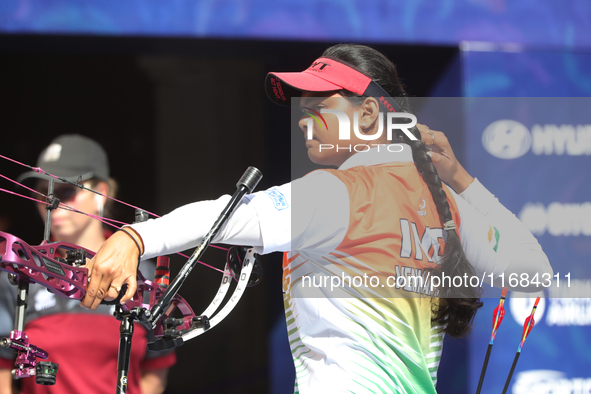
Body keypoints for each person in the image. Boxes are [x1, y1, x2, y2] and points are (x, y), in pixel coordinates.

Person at [81, 45, 552, 393]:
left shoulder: (340, 191)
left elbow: (218, 218)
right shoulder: (443, 198)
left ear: (369, 113)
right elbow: (535, 271)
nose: (304, 119)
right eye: (302, 109)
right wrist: (464, 180)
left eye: (319, 106)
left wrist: (133, 238)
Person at [0, 135, 176, 394]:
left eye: (66, 191)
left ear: (100, 193)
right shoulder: (18, 271)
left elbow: (156, 371)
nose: (51, 204)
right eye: (42, 192)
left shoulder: (143, 273)